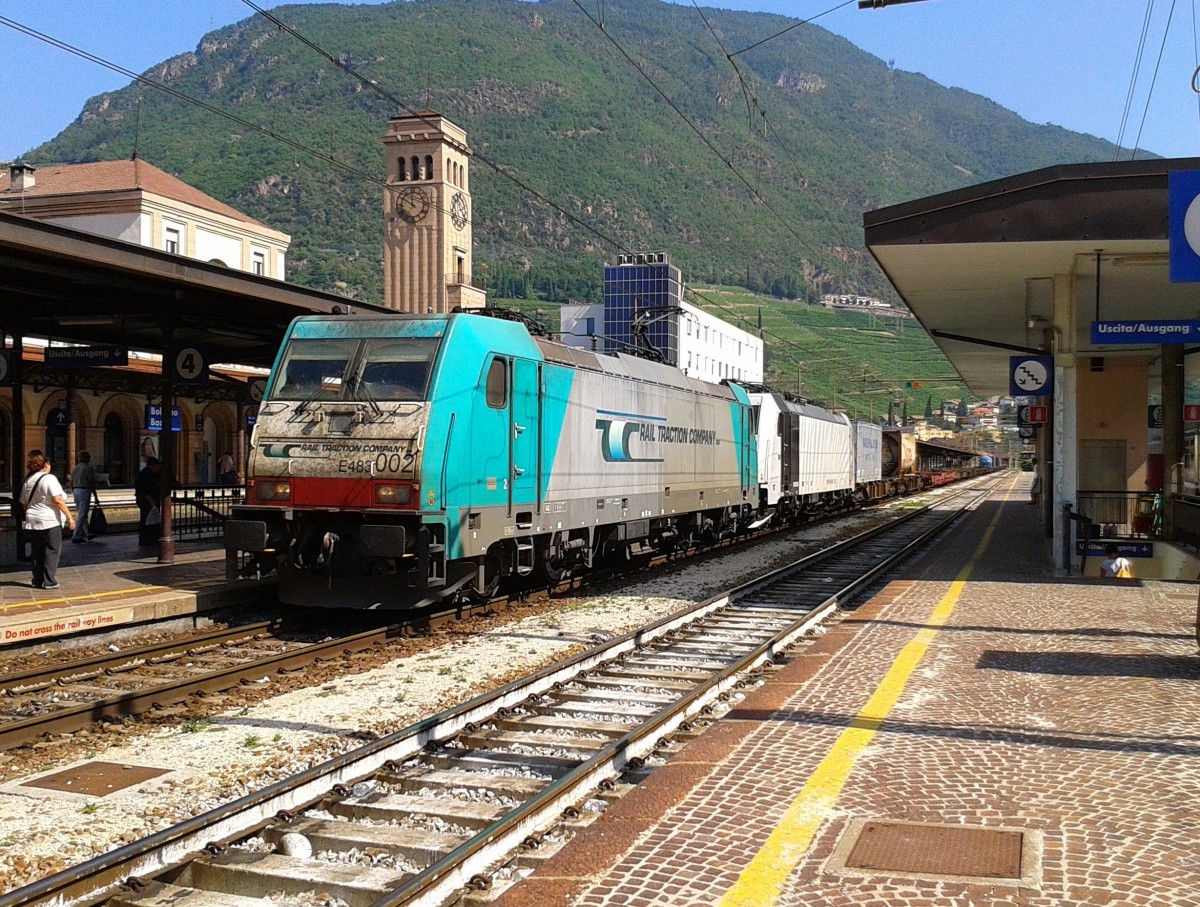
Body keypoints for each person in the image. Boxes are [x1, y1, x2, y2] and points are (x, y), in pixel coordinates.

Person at [19, 452, 75, 590]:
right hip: (49, 520)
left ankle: (37, 580)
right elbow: (57, 500)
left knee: (37, 551)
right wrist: (70, 517)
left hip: (32, 519)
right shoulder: (49, 479)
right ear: (45, 465)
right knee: (51, 550)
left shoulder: (28, 480)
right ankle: (49, 581)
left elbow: (23, 502)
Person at [135, 457, 163, 547]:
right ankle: (145, 539)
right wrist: (151, 502)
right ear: (152, 467)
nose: (158, 469)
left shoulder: (158, 473)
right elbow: (143, 490)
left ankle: (153, 538)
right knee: (146, 519)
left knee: (154, 520)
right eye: (157, 467)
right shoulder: (144, 475)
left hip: (154, 500)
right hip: (145, 501)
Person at [70, 450, 96, 543]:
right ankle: (76, 536)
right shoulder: (89, 468)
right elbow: (91, 482)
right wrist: (96, 496)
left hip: (76, 490)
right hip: (85, 490)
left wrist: (73, 490)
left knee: (81, 512)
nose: (89, 458)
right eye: (88, 457)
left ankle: (88, 532)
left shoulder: (75, 468)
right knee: (82, 513)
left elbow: (71, 481)